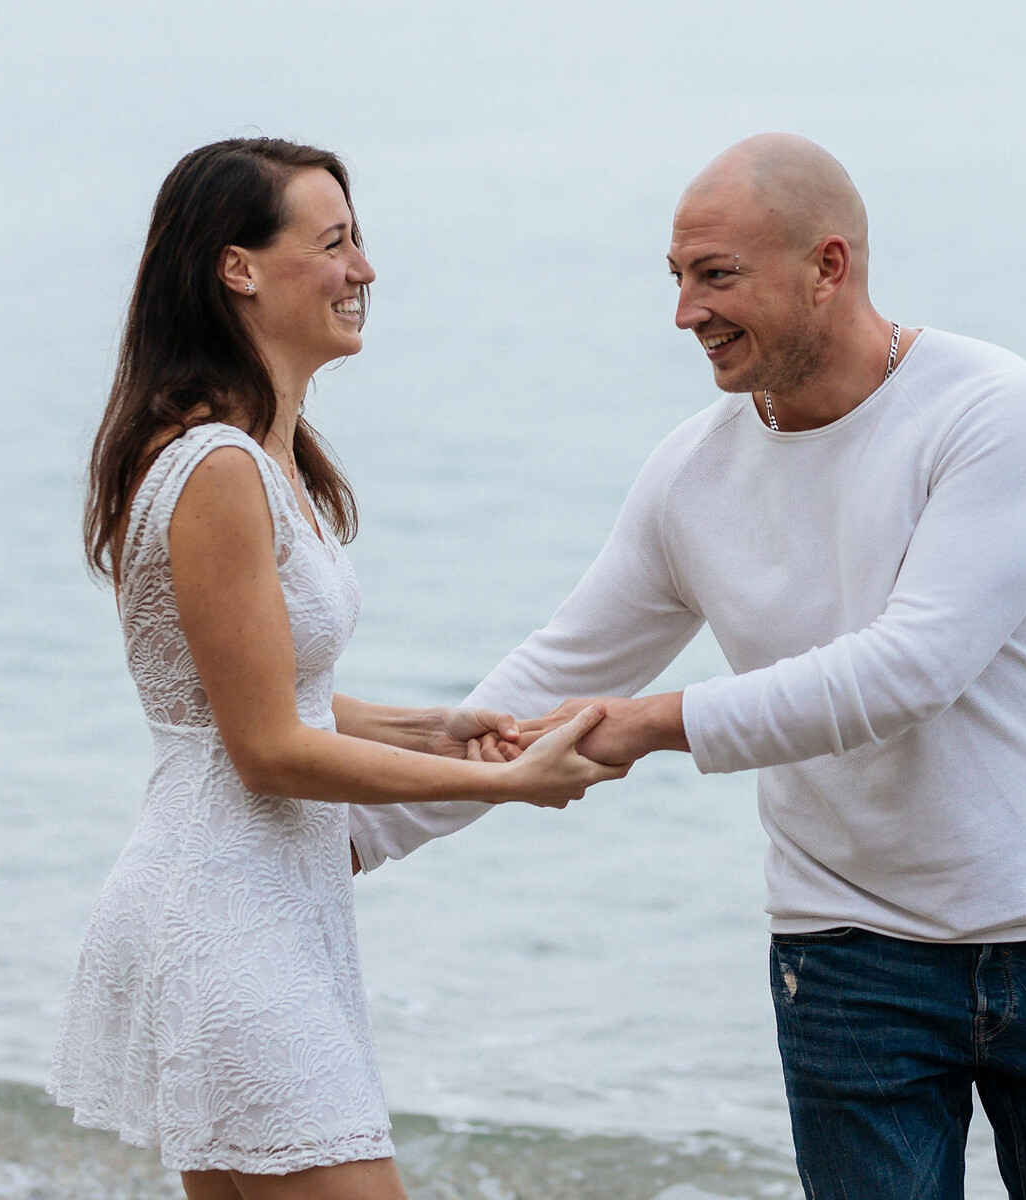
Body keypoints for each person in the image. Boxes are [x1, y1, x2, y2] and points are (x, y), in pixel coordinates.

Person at [348, 133, 1026, 1199]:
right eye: (679, 277)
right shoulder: (692, 474)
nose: (686, 311)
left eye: (716, 275)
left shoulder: (993, 411)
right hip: (845, 955)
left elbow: (912, 669)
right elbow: (555, 673)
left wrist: (653, 723)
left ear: (829, 266)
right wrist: (347, 834)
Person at [46, 138, 625, 1200]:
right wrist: (501, 783)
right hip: (227, 922)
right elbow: (266, 750)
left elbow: (275, 694)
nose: (364, 270)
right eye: (335, 243)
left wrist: (438, 726)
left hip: (263, 913)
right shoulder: (217, 468)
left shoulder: (256, 456)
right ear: (240, 269)